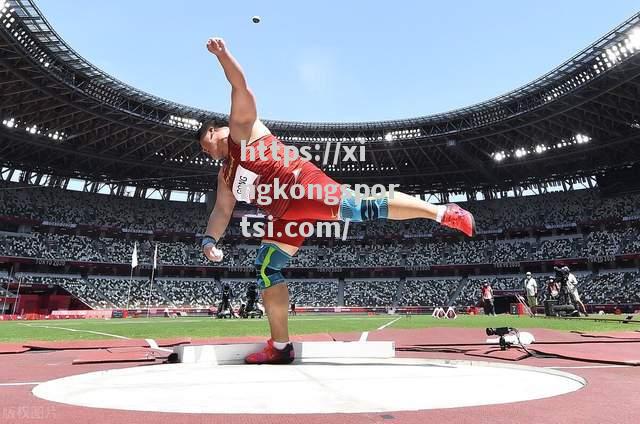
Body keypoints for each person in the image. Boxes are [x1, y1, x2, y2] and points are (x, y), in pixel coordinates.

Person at [198, 37, 476, 364]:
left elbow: (239, 84)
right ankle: (281, 346)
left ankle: (443, 212)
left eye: (208, 141)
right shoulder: (225, 176)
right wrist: (209, 238)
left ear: (217, 130)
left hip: (302, 186)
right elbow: (222, 209)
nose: (208, 149)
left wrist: (222, 55)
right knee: (265, 268)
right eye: (204, 150)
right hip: (284, 214)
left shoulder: (241, 129)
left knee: (359, 207)